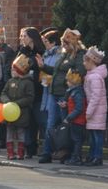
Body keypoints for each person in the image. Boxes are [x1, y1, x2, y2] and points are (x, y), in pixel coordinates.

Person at [36, 28, 86, 163]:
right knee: (51, 124)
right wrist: (43, 66)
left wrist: (65, 84)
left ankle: (66, 153)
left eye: (66, 42)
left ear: (73, 42)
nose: (63, 45)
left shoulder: (79, 55)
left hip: (67, 94)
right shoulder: (64, 54)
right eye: (62, 42)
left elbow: (78, 73)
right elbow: (56, 71)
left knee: (66, 125)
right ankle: (47, 152)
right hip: (54, 93)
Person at [17, 27, 45, 158]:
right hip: (26, 92)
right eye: (21, 36)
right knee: (29, 122)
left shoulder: (41, 52)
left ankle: (45, 148)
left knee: (40, 120)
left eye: (24, 36)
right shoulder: (23, 51)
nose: (21, 38)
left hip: (38, 90)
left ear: (32, 38)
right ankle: (30, 148)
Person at [0, 54, 35, 160]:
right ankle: (10, 153)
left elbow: (29, 97)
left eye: (14, 70)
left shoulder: (28, 83)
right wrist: (7, 101)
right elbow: (3, 93)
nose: (12, 71)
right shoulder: (10, 81)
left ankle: (20, 152)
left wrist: (17, 104)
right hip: (8, 112)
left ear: (20, 71)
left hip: (22, 113)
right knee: (9, 132)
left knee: (20, 133)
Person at [83, 46, 107, 166]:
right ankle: (92, 155)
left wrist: (89, 112)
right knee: (93, 135)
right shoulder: (91, 76)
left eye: (85, 61)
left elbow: (95, 97)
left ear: (91, 61)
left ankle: (97, 157)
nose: (83, 64)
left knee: (96, 135)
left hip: (96, 111)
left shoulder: (94, 77)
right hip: (95, 111)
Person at [59, 69, 87, 165]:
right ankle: (76, 157)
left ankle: (76, 158)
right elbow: (75, 106)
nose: (66, 82)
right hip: (75, 120)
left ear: (73, 81)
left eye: (68, 81)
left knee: (76, 140)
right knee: (76, 140)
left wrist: (68, 118)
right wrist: (66, 105)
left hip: (77, 121)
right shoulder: (74, 91)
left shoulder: (77, 92)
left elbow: (79, 108)